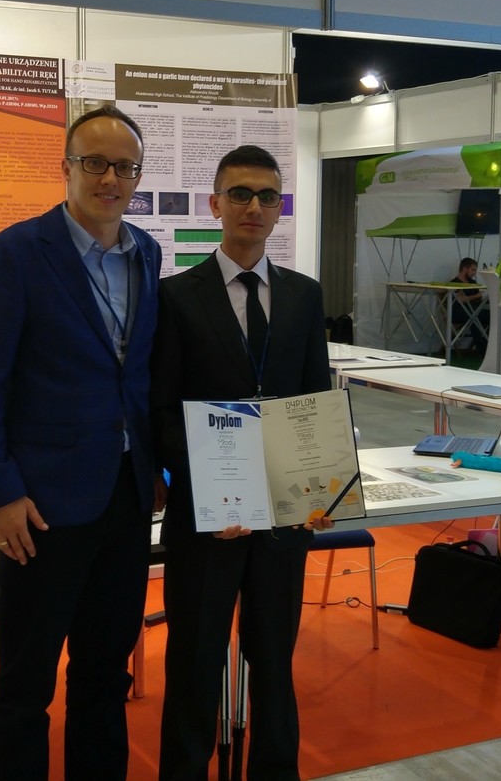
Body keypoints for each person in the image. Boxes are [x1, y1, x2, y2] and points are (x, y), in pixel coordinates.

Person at [0, 105, 162, 781]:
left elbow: (136, 375)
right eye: (94, 163)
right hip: (41, 508)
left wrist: (155, 467)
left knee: (105, 674)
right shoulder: (17, 252)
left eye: (124, 167)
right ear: (66, 168)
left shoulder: (146, 253)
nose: (110, 179)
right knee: (26, 682)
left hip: (125, 500)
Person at [152, 144, 334, 781]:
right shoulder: (175, 297)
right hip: (209, 520)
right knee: (195, 660)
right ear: (215, 204)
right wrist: (211, 492)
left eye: (267, 196)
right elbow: (161, 409)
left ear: (279, 208)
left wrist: (319, 491)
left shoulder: (304, 296)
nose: (254, 206)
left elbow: (313, 402)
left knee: (274, 660)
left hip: (282, 518)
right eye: (240, 194)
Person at [449, 256, 486, 350]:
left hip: (474, 310)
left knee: (493, 316)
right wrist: (475, 296)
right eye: (472, 270)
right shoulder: (454, 283)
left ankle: (489, 347)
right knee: (474, 318)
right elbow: (460, 300)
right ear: (464, 268)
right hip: (459, 312)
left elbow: (479, 298)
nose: (474, 273)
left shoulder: (473, 283)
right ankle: (483, 350)